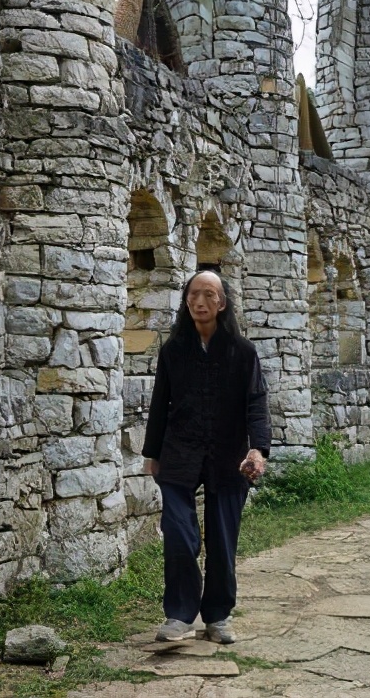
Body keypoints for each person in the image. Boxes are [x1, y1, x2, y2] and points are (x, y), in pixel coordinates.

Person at [142, 269, 270, 644]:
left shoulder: (243, 352)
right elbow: (159, 405)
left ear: (222, 303)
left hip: (230, 456)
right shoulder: (173, 351)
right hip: (179, 453)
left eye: (209, 295)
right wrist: (153, 453)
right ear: (186, 302)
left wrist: (257, 448)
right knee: (180, 536)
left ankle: (217, 617)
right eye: (194, 295)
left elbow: (257, 403)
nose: (200, 302)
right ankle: (179, 616)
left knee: (223, 541)